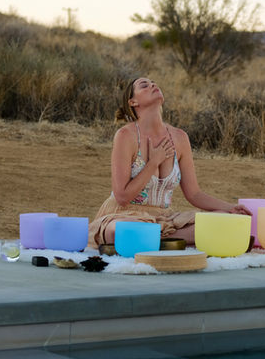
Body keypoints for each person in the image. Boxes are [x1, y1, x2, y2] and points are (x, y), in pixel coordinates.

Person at [88, 76, 251, 248]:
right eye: (144, 85)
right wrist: (153, 162)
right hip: (125, 216)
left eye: (153, 83)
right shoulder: (125, 136)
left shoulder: (180, 137)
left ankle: (153, 239)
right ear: (133, 102)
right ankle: (168, 240)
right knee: (117, 231)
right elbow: (122, 197)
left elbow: (194, 194)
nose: (152, 85)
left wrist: (230, 207)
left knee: (225, 220)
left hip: (165, 219)